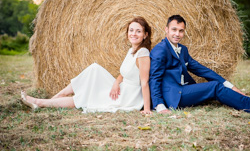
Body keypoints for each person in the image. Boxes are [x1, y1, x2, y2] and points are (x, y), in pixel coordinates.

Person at [149, 15, 250, 114]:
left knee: (217, 87)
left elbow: (202, 70)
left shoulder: (183, 50)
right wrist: (160, 106)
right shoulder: (160, 50)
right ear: (166, 30)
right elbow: (154, 79)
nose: (177, 34)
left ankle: (242, 98)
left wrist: (230, 86)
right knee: (214, 87)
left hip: (183, 90)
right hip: (173, 96)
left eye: (181, 30)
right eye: (174, 29)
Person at [21, 17, 152, 114]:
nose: (133, 34)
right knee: (94, 68)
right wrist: (116, 83)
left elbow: (144, 83)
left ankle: (41, 102)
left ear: (145, 35)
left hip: (128, 96)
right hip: (121, 88)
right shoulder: (132, 50)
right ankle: (57, 97)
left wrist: (146, 109)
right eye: (131, 30)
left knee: (88, 96)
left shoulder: (143, 53)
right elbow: (123, 74)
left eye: (138, 31)